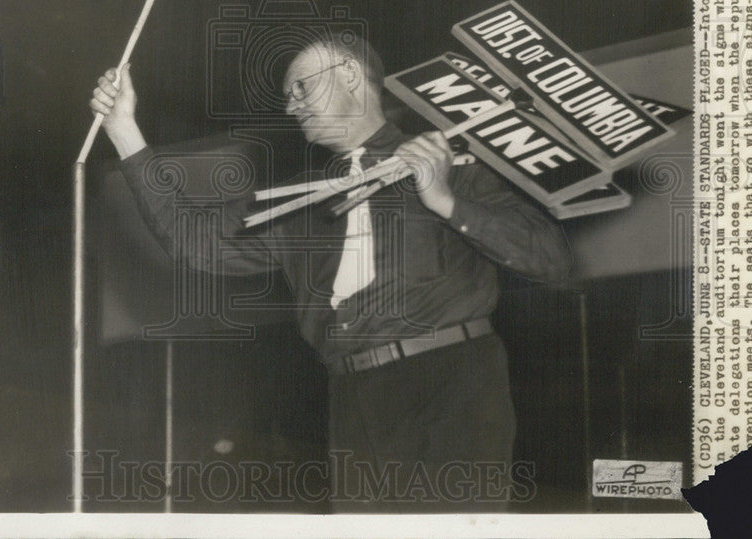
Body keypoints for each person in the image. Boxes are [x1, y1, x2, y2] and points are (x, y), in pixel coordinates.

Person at [90, 32, 573, 512]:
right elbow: (194, 243)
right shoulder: (299, 200)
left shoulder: (454, 163)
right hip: (352, 397)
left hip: (450, 384)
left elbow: (551, 261)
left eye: (299, 87)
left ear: (348, 76)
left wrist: (445, 200)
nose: (290, 106)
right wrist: (123, 130)